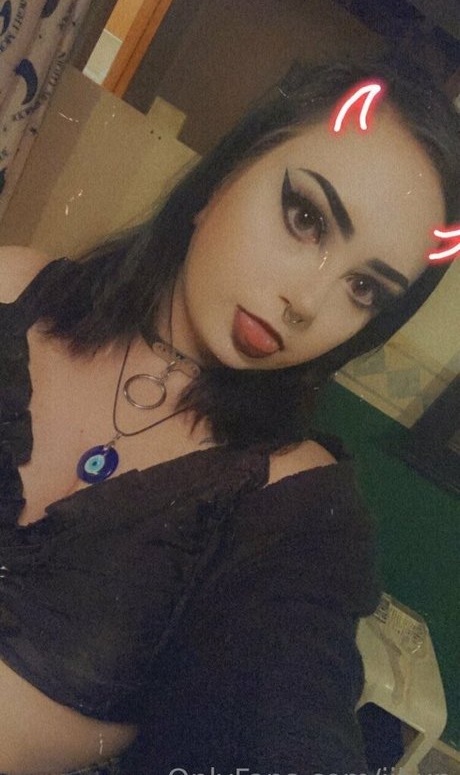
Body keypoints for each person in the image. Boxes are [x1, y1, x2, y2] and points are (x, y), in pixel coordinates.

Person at [0, 56, 458, 774]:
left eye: (364, 288)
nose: (308, 302)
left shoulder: (294, 503)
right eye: (306, 218)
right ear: (221, 178)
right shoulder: (13, 285)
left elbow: (290, 708)